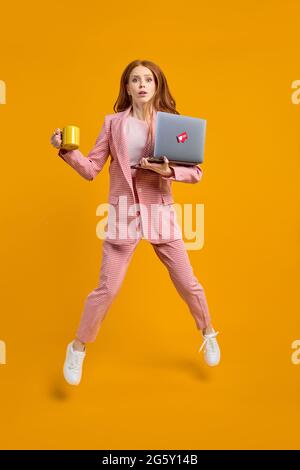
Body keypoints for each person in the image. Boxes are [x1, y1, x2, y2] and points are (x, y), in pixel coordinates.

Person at [50, 59, 220, 386]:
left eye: (148, 79)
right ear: (127, 87)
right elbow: (90, 169)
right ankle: (78, 348)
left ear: (157, 86)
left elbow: (196, 173)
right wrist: (66, 151)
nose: (141, 85)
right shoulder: (113, 124)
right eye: (134, 80)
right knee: (107, 288)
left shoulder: (172, 125)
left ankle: (208, 331)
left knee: (188, 283)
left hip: (160, 212)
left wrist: (166, 171)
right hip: (123, 214)